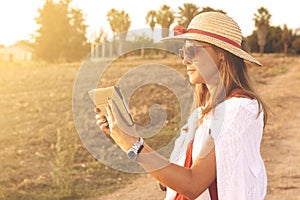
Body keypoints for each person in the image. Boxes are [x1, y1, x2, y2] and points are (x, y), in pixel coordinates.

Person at [94, 12, 268, 200]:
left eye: (193, 50)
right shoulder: (202, 114)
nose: (185, 60)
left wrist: (132, 144)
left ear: (221, 55)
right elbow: (170, 181)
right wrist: (124, 134)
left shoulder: (238, 109)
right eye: (183, 52)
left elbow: (192, 184)